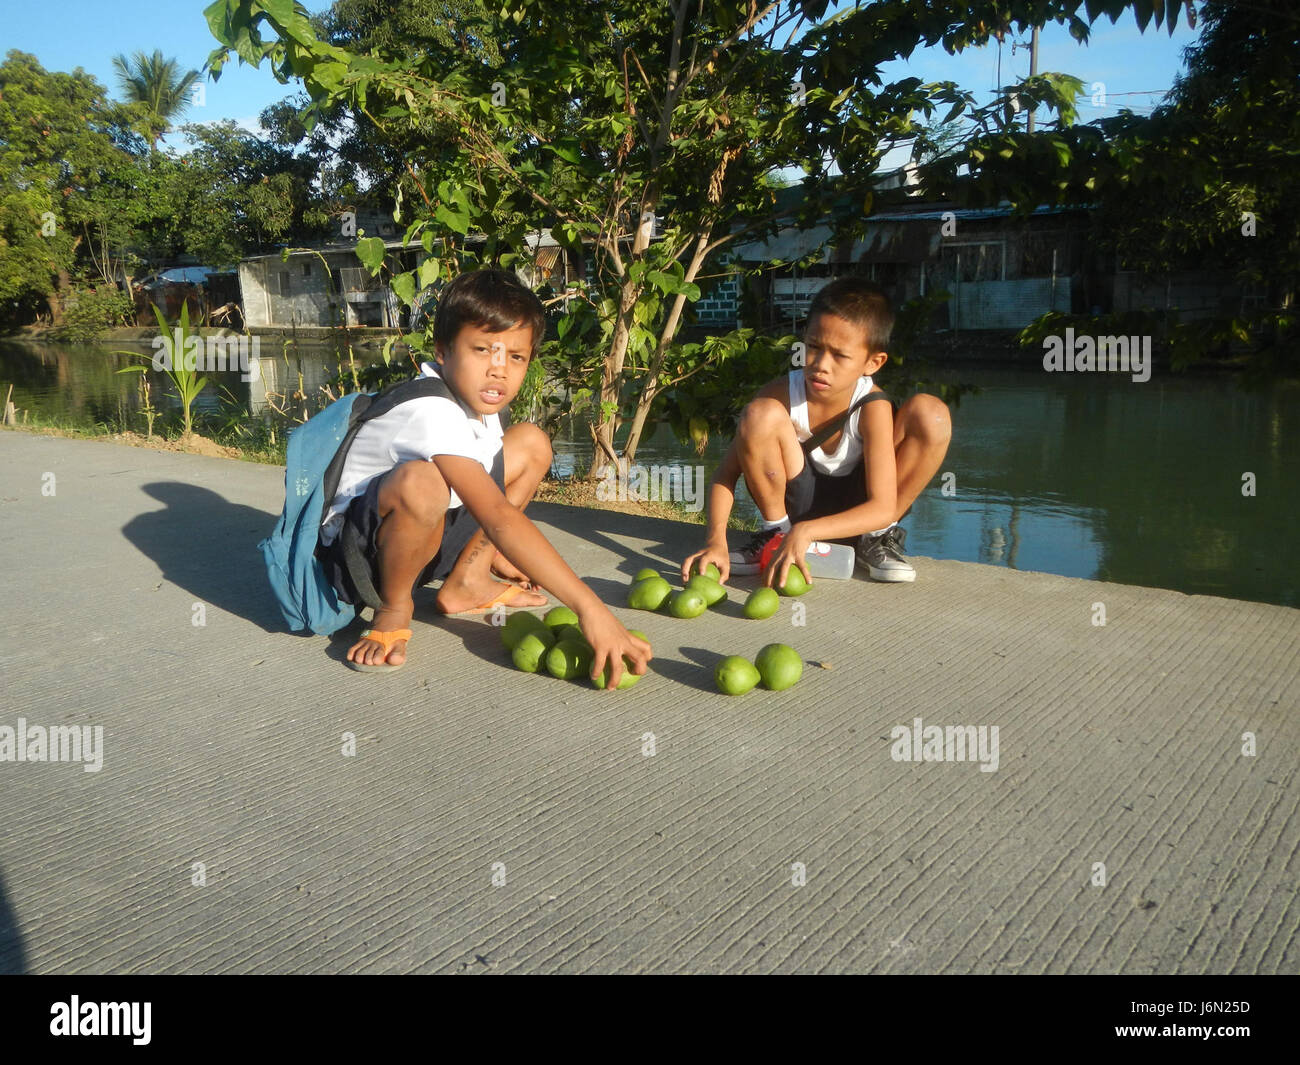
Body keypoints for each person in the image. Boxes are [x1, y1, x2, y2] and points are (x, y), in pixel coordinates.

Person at [318, 268, 651, 683]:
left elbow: (490, 491)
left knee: (530, 443)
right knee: (423, 482)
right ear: (442, 351)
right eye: (481, 350)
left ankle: (468, 580)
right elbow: (496, 514)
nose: (499, 371)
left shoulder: (477, 404)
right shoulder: (430, 412)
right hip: (355, 563)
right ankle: (394, 608)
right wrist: (592, 609)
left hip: (419, 540)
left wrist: (489, 551)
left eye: (516, 356)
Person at [682, 276, 951, 590]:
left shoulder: (872, 406)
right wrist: (717, 541)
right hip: (795, 512)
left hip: (864, 515)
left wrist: (808, 532)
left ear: (873, 363)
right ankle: (775, 535)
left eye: (840, 355)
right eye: (813, 347)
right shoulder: (781, 394)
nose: (821, 364)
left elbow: (880, 506)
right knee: (759, 413)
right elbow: (724, 476)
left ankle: (875, 540)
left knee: (930, 414)